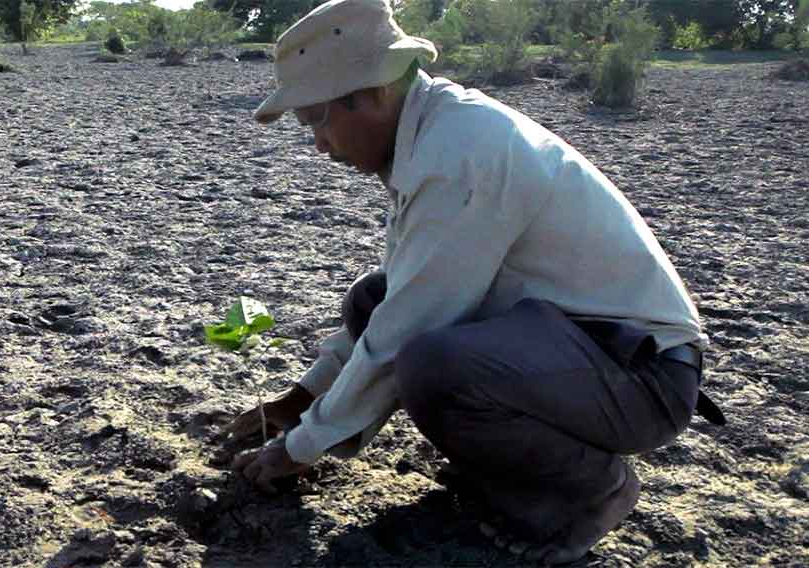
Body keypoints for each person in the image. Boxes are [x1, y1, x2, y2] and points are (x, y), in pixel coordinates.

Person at [219, 0, 723, 564]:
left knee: (434, 364)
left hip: (641, 377)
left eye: (316, 120)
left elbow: (410, 327)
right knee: (374, 297)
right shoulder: (434, 132)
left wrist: (301, 446)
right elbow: (401, 300)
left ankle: (588, 492)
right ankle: (510, 475)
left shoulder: (459, 152)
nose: (317, 144)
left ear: (371, 94)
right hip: (573, 350)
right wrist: (303, 399)